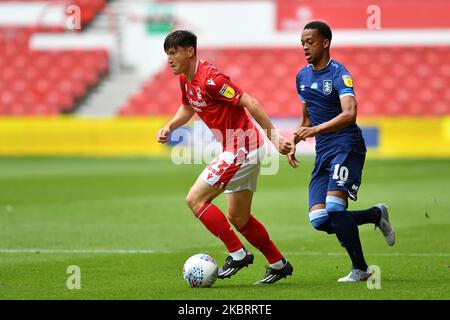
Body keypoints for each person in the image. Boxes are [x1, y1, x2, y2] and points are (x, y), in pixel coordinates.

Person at [157, 30, 293, 284]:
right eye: (167, 54)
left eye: (173, 52)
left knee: (195, 199)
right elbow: (188, 106)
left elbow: (250, 102)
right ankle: (278, 263)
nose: (169, 59)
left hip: (242, 146)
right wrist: (170, 126)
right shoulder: (186, 79)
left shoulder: (212, 79)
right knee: (239, 218)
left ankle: (237, 253)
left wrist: (275, 138)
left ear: (190, 52)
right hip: (241, 147)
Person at [288, 21, 396, 282]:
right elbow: (306, 118)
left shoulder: (339, 74)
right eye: (302, 42)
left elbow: (350, 113)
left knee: (336, 207)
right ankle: (375, 214)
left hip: (347, 145)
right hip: (324, 151)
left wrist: (314, 131)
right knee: (319, 219)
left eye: (309, 41)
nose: (304, 46)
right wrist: (294, 139)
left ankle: (361, 269)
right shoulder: (302, 76)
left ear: (324, 42)